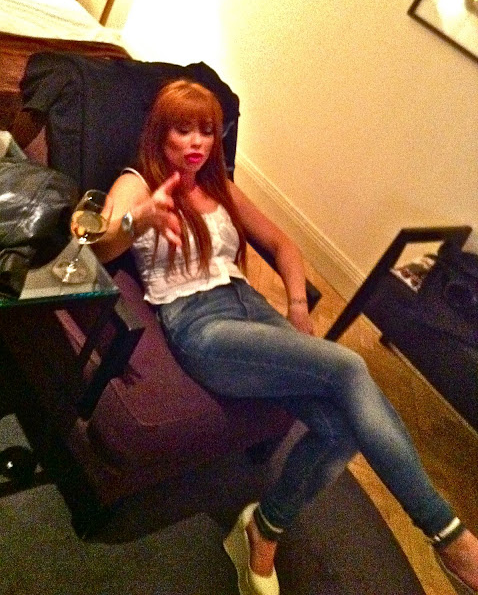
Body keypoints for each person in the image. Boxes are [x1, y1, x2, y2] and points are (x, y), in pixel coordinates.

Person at [94, 79, 478, 595]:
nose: (197, 142)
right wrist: (137, 218)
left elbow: (283, 244)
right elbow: (98, 246)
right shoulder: (139, 183)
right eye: (182, 129)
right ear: (159, 133)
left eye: (206, 130)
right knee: (349, 365)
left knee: (340, 429)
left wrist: (297, 305)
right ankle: (449, 536)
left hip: (250, 307)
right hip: (201, 325)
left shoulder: (220, 186)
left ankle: (263, 527)